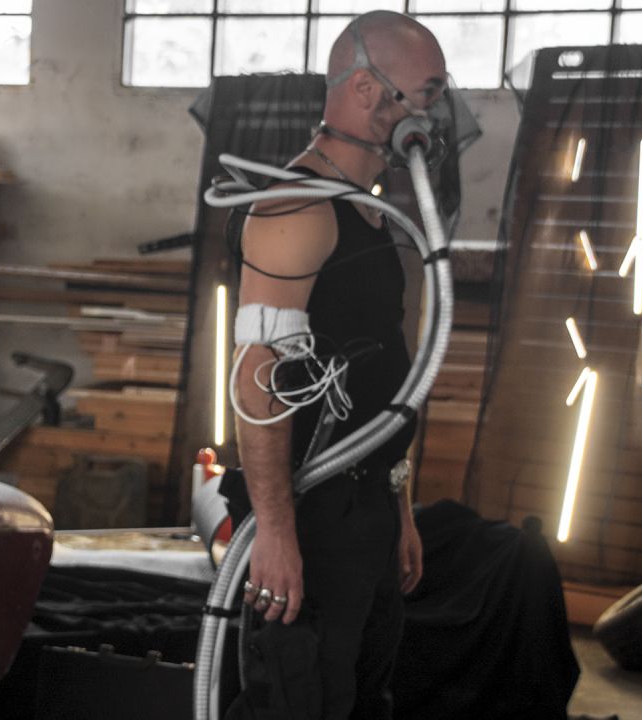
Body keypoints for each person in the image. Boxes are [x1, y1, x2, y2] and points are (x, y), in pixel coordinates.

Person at [225, 11, 448, 720]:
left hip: (367, 507)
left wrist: (397, 504)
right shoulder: (295, 207)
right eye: (427, 93)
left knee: (361, 700)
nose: (433, 114)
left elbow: (388, 379)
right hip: (313, 513)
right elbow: (257, 379)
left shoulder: (373, 215)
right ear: (365, 90)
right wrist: (276, 533)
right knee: (301, 700)